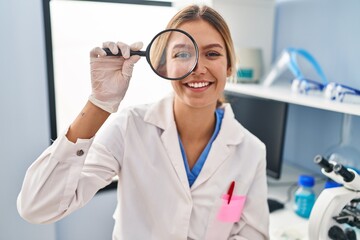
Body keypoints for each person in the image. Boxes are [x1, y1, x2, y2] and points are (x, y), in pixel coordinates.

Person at [17, 4, 269, 240]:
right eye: (182, 54)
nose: (198, 67)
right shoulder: (130, 127)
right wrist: (100, 103)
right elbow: (37, 206)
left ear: (229, 66)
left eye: (212, 53)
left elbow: (252, 234)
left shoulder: (251, 151)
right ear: (163, 65)